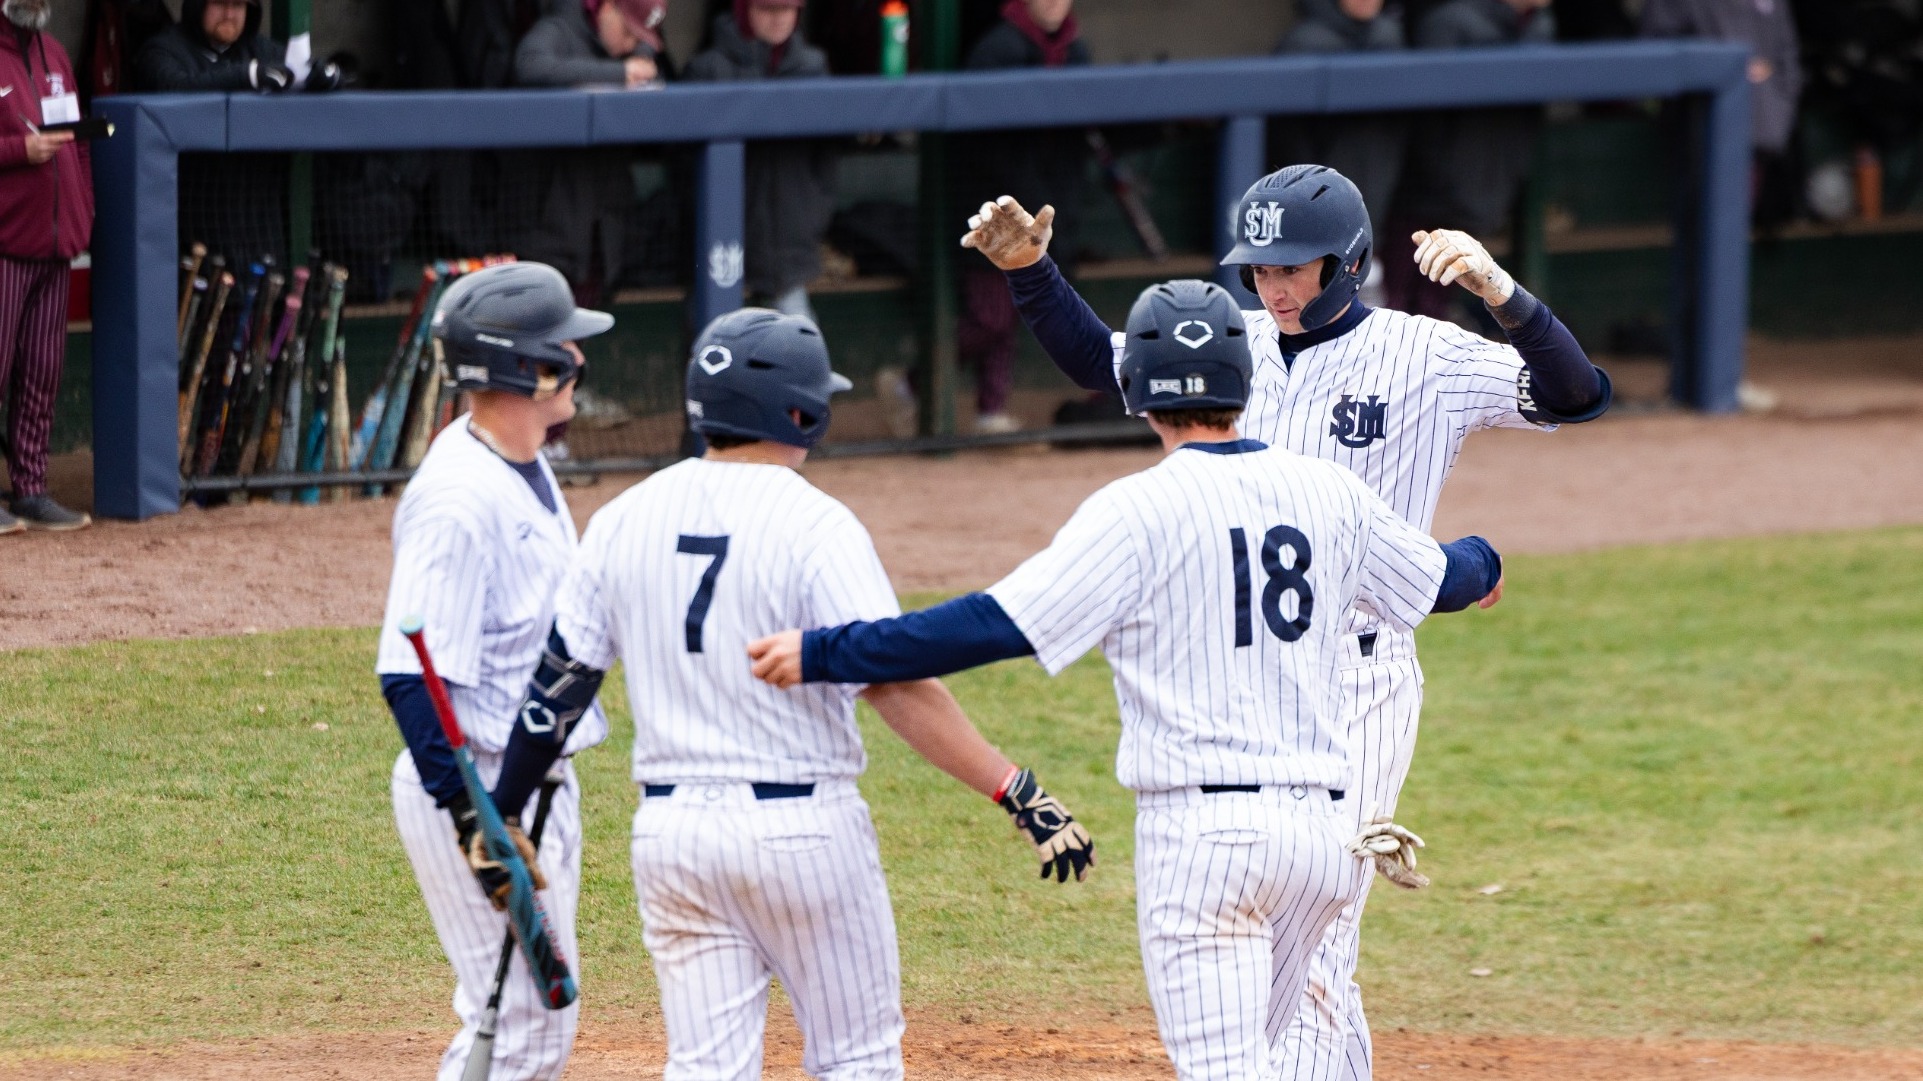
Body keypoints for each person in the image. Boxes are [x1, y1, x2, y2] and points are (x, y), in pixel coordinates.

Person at [745, 278, 1505, 1081]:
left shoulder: (1135, 511)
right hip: (1316, 841)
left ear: (1137, 393)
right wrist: (1484, 557)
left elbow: (990, 624)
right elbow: (1444, 578)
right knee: (1279, 1060)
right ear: (1243, 384)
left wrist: (831, 651)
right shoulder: (1328, 491)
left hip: (1205, 846)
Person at [959, 164, 1610, 1080]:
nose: (1272, 286)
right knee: (1293, 942)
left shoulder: (1425, 353)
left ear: (1347, 264)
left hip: (1357, 680)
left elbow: (1577, 394)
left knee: (1315, 935)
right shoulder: (1236, 345)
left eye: (1293, 269)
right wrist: (1032, 270)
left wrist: (1500, 295)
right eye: (1259, 268)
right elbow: (1102, 362)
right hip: (1241, 678)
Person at [484, 306, 1094, 1079]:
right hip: (802, 832)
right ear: (803, 411)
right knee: (856, 1060)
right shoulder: (815, 523)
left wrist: (501, 808)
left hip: (671, 836)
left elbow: (559, 688)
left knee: (706, 1067)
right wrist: (1016, 790)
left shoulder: (620, 518)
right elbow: (892, 682)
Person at [375, 262, 614, 1081]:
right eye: (565, 348)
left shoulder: (521, 454)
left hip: (532, 779)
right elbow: (409, 675)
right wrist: (477, 819)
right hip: (476, 786)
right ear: (528, 367)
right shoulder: (458, 499)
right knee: (520, 1022)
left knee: (523, 1017)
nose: (579, 360)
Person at [955, 0, 1090, 434]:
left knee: (1016, 310)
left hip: (1051, 209)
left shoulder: (1076, 50)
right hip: (993, 207)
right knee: (991, 317)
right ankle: (915, 382)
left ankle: (990, 409)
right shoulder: (995, 48)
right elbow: (979, 144)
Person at [1387, 0, 1555, 320]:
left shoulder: (1539, 25)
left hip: (1482, 183)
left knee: (1436, 304)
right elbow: (1422, 121)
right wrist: (1440, 177)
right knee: (1397, 305)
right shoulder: (1449, 21)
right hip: (1423, 192)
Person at [508, 0, 672, 306]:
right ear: (607, 8)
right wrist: (618, 73)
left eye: (640, 38)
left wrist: (639, 57)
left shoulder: (630, 49)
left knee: (584, 332)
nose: (631, 44)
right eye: (628, 31)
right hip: (551, 223)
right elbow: (529, 64)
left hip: (604, 231)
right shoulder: (561, 27)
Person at [0, 0, 93, 531]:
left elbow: (77, 147)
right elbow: (29, 147)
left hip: (57, 246)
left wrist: (85, 212)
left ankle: (31, 488)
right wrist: (20, 149)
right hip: (6, 243)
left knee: (41, 371)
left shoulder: (56, 53)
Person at [684, 0, 835, 320]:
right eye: (768, 9)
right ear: (744, 10)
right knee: (714, 344)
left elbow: (825, 157)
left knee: (799, 344)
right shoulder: (708, 68)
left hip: (789, 234)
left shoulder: (811, 65)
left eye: (787, 9)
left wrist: (814, 212)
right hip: (720, 238)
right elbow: (680, 166)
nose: (779, 19)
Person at [133, 0, 293, 269]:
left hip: (256, 219)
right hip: (194, 214)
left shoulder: (259, 48)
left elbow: (297, 70)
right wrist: (248, 75)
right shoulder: (163, 48)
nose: (230, 14)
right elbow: (176, 87)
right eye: (220, 3)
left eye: (239, 5)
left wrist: (320, 75)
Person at [1639, 0, 1803, 223]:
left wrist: (1777, 113)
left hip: (1765, 133)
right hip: (1703, 134)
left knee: (1764, 217)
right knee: (1708, 227)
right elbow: (1655, 53)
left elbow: (1787, 56)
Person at [1272, 0, 1408, 249]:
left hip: (1382, 210)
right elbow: (1289, 144)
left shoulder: (1390, 38)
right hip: (1317, 214)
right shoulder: (1303, 44)